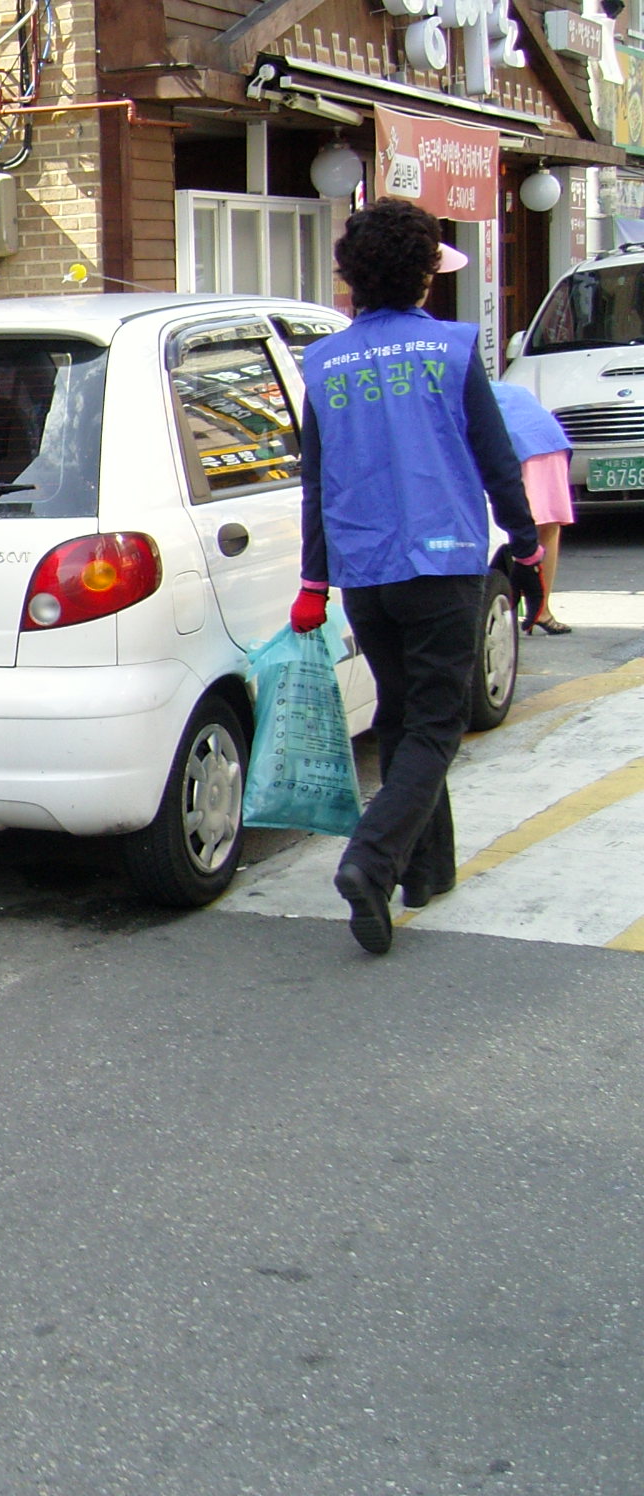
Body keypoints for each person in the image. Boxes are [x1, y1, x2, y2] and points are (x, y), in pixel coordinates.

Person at [291, 200, 543, 956]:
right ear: (426, 275)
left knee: (402, 718)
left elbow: (316, 480)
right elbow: (499, 462)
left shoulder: (323, 361)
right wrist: (526, 549)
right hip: (443, 563)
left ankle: (426, 871)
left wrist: (315, 580)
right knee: (437, 726)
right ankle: (371, 861)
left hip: (367, 571)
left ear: (352, 275)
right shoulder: (455, 351)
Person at [491, 379, 575, 634]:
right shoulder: (502, 388)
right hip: (544, 441)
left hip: (528, 448)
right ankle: (537, 609)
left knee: (531, 526)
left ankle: (537, 610)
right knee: (544, 526)